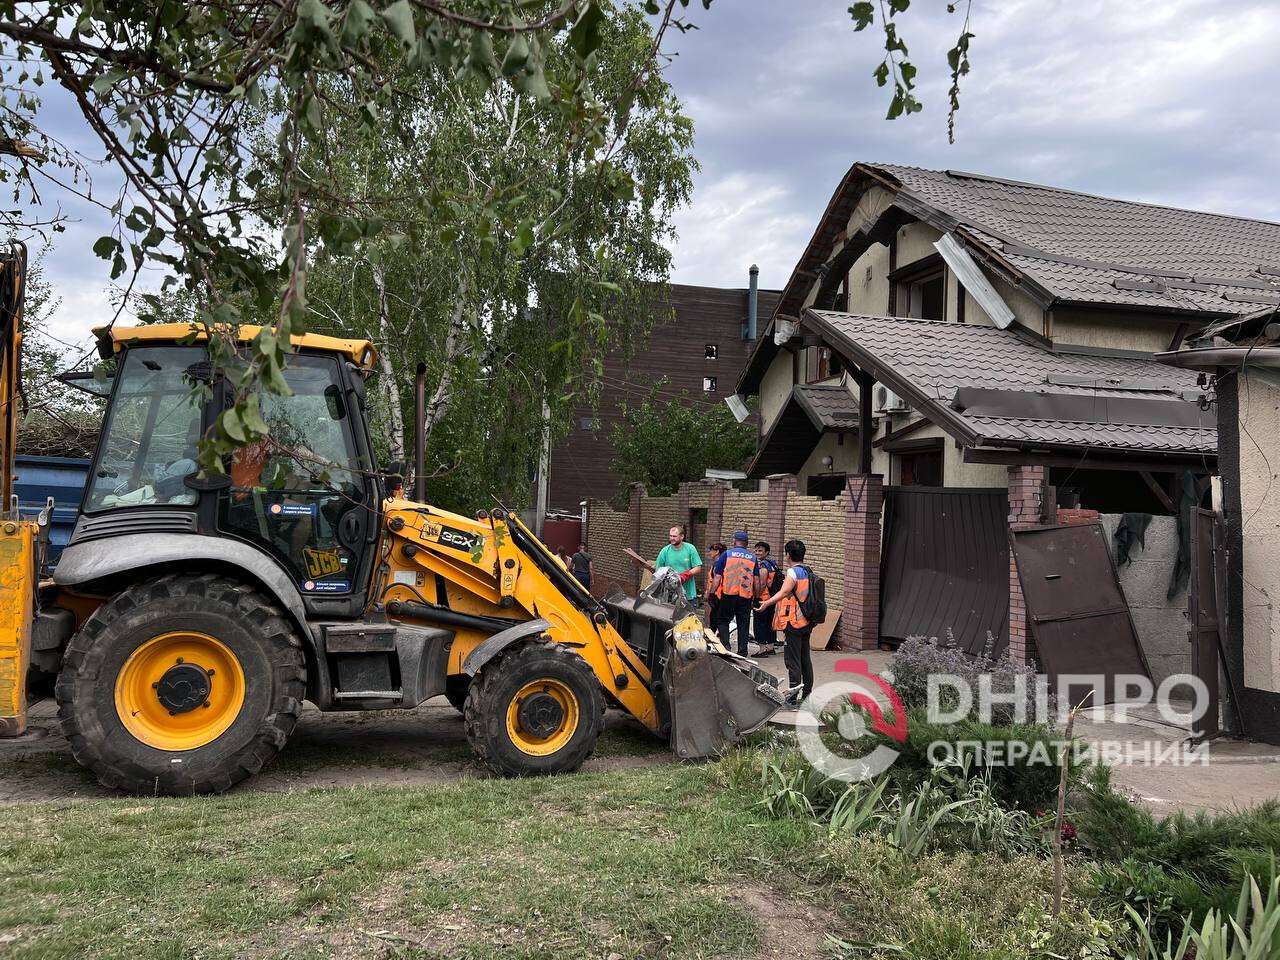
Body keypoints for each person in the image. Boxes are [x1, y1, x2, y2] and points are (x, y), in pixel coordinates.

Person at [756, 538, 814, 700]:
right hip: (806, 621)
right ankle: (807, 694)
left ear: (788, 555)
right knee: (805, 659)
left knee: (792, 661)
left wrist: (766, 603)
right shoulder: (808, 570)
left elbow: (784, 592)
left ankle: (793, 698)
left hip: (794, 622)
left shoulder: (793, 572)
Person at [711, 531, 764, 655]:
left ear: (735, 541)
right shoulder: (752, 558)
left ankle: (725, 647)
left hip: (728, 594)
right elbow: (757, 580)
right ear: (746, 544)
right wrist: (757, 597)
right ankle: (742, 651)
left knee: (723, 620)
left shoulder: (726, 555)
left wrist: (712, 593)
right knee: (743, 624)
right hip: (745, 596)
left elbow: (717, 577)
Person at [655, 524, 702, 602]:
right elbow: (658, 570)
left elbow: (698, 568)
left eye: (674, 536)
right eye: (670, 536)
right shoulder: (665, 551)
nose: (672, 538)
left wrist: (684, 575)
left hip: (688, 593)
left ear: (682, 536)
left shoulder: (690, 549)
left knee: (688, 614)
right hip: (669, 593)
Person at [752, 541, 779, 657]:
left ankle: (762, 649)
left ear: (766, 552)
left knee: (760, 623)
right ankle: (771, 647)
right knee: (770, 623)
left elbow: (762, 584)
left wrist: (756, 597)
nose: (757, 553)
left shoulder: (763, 565)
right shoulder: (773, 564)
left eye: (760, 551)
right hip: (772, 598)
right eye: (756, 550)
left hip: (763, 598)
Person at [704, 542, 727, 634]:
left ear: (717, 551)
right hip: (720, 595)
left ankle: (713, 637)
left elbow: (715, 580)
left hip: (717, 595)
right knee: (715, 618)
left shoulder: (718, 565)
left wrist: (710, 593)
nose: (710, 553)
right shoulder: (721, 563)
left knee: (715, 619)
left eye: (711, 551)